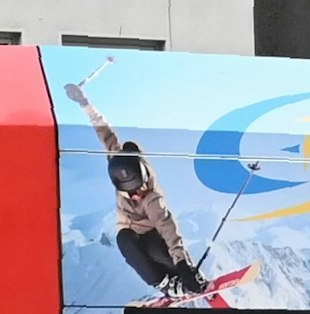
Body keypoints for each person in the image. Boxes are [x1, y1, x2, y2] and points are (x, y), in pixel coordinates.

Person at [64, 82, 206, 298]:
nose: (135, 195)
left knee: (160, 250)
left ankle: (188, 276)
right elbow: (104, 131)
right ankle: (166, 284)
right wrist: (85, 103)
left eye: (138, 190)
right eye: (129, 193)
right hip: (132, 237)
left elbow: (169, 231)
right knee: (124, 239)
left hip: (153, 236)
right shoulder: (117, 162)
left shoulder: (152, 199)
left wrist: (183, 265)